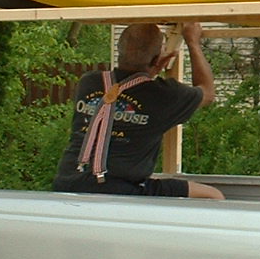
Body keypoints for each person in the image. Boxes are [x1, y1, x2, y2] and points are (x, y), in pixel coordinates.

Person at [52, 22, 224, 199]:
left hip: (68, 182)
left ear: (119, 51)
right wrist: (193, 42)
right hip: (121, 189)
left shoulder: (89, 83)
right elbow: (207, 93)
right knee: (213, 195)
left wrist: (150, 71)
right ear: (157, 59)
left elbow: (128, 89)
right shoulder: (163, 95)